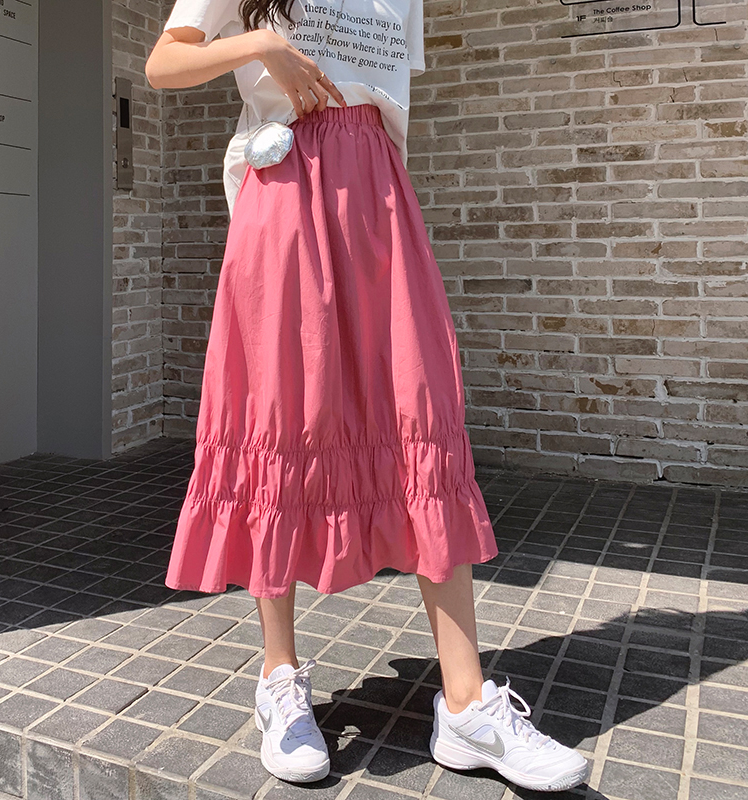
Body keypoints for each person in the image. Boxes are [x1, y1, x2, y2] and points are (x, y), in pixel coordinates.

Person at [145, 0, 589, 792]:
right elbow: (163, 63)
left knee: (419, 415)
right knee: (279, 418)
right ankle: (279, 679)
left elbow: (383, 101)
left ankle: (466, 706)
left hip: (378, 194)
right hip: (286, 190)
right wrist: (261, 45)